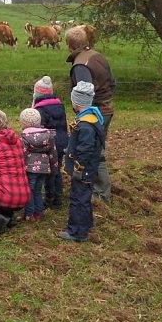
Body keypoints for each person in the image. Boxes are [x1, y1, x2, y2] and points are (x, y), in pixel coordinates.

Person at [66, 27, 116, 204]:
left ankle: (101, 195)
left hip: (95, 111)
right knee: (96, 150)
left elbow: (84, 92)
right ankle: (97, 189)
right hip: (106, 108)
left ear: (69, 45)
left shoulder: (81, 65)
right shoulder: (97, 56)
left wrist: (85, 113)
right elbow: (113, 82)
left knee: (95, 152)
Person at [58, 81, 106, 242]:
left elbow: (85, 149)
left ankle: (77, 232)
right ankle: (86, 224)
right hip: (88, 169)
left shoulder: (85, 125)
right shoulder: (92, 118)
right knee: (84, 197)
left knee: (78, 199)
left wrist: (78, 169)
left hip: (84, 170)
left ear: (77, 103)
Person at [31, 76, 68, 208]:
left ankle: (50, 199)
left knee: (49, 173)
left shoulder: (40, 110)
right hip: (62, 142)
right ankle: (57, 198)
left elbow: (39, 130)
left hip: (49, 144)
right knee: (56, 170)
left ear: (37, 93)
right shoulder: (59, 106)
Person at [18, 108, 56, 221]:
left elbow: (22, 154)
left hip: (29, 168)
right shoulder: (48, 135)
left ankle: (29, 214)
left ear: (24, 122)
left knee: (29, 191)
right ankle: (38, 213)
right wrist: (54, 168)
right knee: (38, 190)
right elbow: (53, 152)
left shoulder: (24, 137)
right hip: (44, 168)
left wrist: (19, 168)